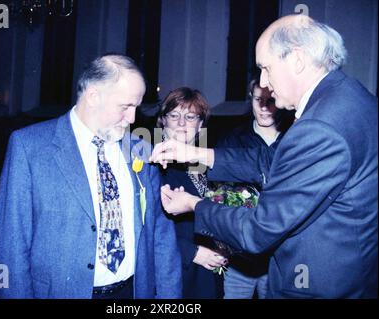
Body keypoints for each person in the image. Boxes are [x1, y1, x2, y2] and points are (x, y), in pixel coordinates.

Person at [151, 14, 377, 298]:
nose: (264, 82)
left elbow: (258, 231)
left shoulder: (320, 124)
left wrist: (195, 205)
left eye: (266, 68)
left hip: (319, 285)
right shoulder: (352, 98)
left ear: (296, 59)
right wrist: (195, 153)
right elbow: (269, 163)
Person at [0, 54, 182, 299]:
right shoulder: (29, 147)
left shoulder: (140, 150)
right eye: (125, 106)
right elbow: (11, 244)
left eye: (136, 107)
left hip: (131, 293)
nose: (133, 119)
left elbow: (161, 235)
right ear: (93, 96)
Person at [216, 77, 293, 299]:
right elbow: (218, 194)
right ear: (250, 99)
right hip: (241, 254)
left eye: (270, 100)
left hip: (281, 255)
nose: (264, 108)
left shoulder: (293, 138)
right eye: (258, 99)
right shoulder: (232, 140)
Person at [156, 87, 225, 299]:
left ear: (200, 124)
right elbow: (147, 229)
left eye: (190, 116)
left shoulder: (206, 165)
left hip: (209, 272)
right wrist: (193, 253)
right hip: (178, 273)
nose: (181, 123)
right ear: (163, 122)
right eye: (174, 115)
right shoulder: (153, 165)